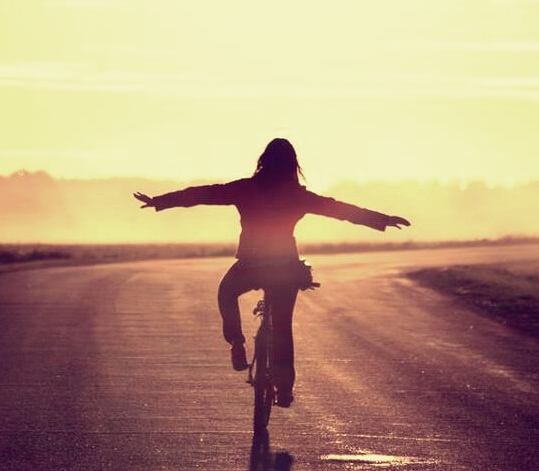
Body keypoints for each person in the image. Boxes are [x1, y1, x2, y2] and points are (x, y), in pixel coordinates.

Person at [134, 138, 410, 408]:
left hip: (250, 265)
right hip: (284, 268)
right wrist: (382, 220)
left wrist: (160, 201)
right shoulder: (298, 196)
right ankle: (285, 389)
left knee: (226, 292)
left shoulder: (245, 188)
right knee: (282, 327)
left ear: (263, 162)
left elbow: (202, 194)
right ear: (293, 165)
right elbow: (340, 210)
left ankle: (237, 340)